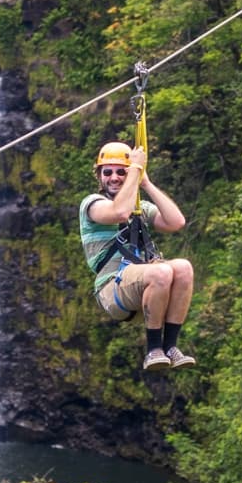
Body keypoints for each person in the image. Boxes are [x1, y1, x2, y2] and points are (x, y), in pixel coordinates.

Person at [80, 141, 197, 372]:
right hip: (113, 288)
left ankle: (170, 347)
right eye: (108, 172)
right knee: (161, 271)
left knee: (184, 268)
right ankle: (153, 349)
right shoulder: (92, 204)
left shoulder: (140, 207)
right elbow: (119, 212)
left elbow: (176, 222)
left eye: (121, 171)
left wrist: (146, 182)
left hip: (147, 290)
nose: (114, 177)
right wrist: (133, 168)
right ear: (99, 176)